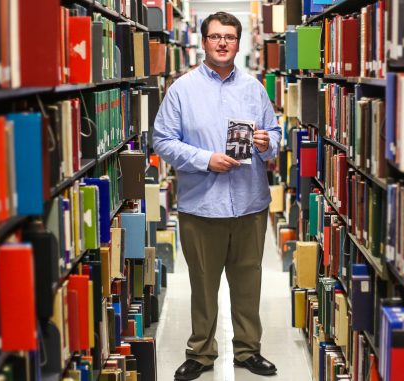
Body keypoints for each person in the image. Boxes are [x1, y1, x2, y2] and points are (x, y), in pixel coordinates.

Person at [152, 11, 282, 381]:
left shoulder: (255, 88)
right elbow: (161, 140)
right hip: (201, 207)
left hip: (250, 205)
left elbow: (275, 136)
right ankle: (201, 352)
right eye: (215, 36)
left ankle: (247, 351)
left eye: (229, 36)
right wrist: (205, 159)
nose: (222, 42)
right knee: (203, 286)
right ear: (204, 42)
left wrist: (266, 141)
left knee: (247, 283)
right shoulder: (182, 89)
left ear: (239, 43)